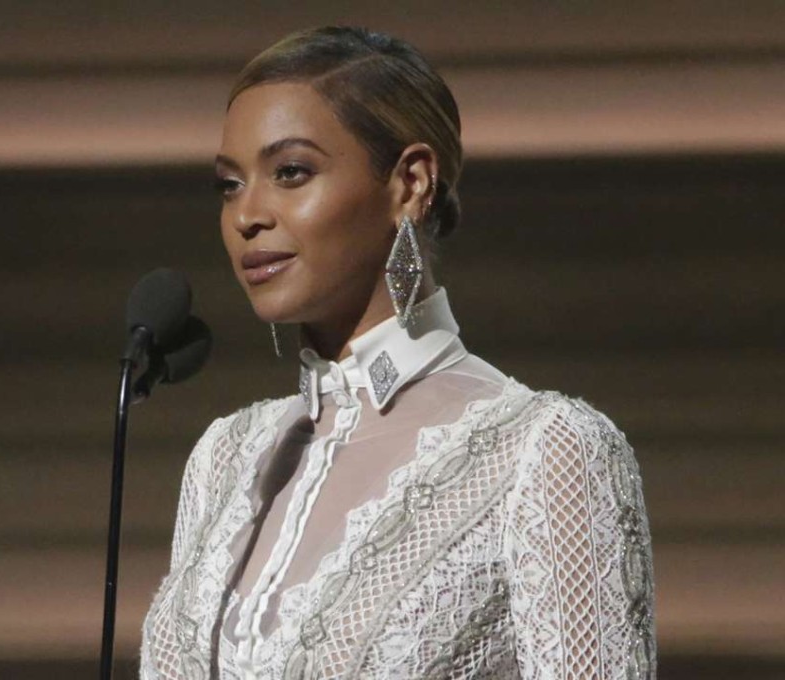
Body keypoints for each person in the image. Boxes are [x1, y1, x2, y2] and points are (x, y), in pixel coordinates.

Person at [140, 26, 656, 680]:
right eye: (229, 185)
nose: (248, 215)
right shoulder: (225, 457)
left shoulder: (547, 450)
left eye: (291, 172)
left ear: (410, 183)